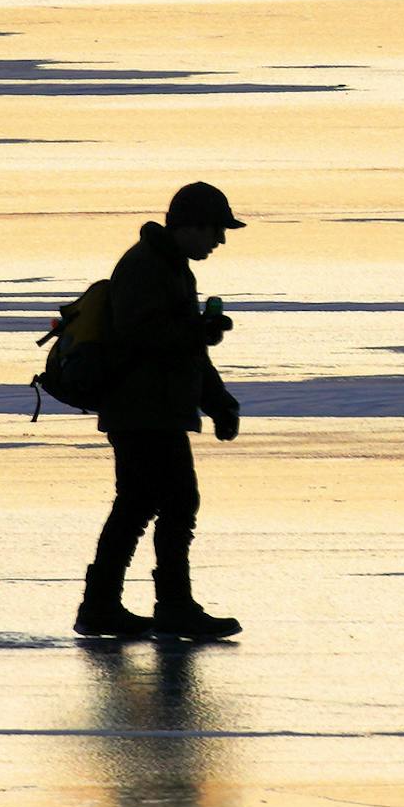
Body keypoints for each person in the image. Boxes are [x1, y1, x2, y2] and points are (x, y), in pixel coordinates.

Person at [75, 181, 246, 642]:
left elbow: (185, 348)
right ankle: (170, 607)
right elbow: (142, 336)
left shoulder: (171, 266)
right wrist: (198, 332)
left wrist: (219, 403)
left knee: (139, 505)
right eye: (215, 229)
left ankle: (103, 606)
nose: (220, 240)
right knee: (171, 504)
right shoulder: (145, 266)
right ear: (189, 225)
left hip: (154, 408)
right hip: (142, 410)